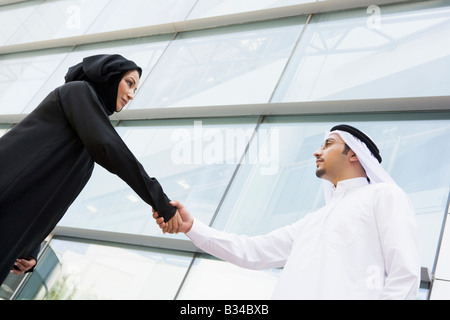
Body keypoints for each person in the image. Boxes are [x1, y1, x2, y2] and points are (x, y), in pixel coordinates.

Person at [153, 124, 421, 299]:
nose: (317, 151)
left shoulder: (384, 195)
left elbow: (405, 274)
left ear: (355, 155)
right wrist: (192, 227)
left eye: (328, 144)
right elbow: (251, 251)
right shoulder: (313, 221)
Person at [0, 54, 182, 285]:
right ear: (108, 75)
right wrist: (160, 201)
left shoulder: (87, 147)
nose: (130, 95)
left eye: (135, 90)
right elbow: (109, 147)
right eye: (129, 83)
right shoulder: (77, 92)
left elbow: (52, 199)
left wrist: (31, 251)